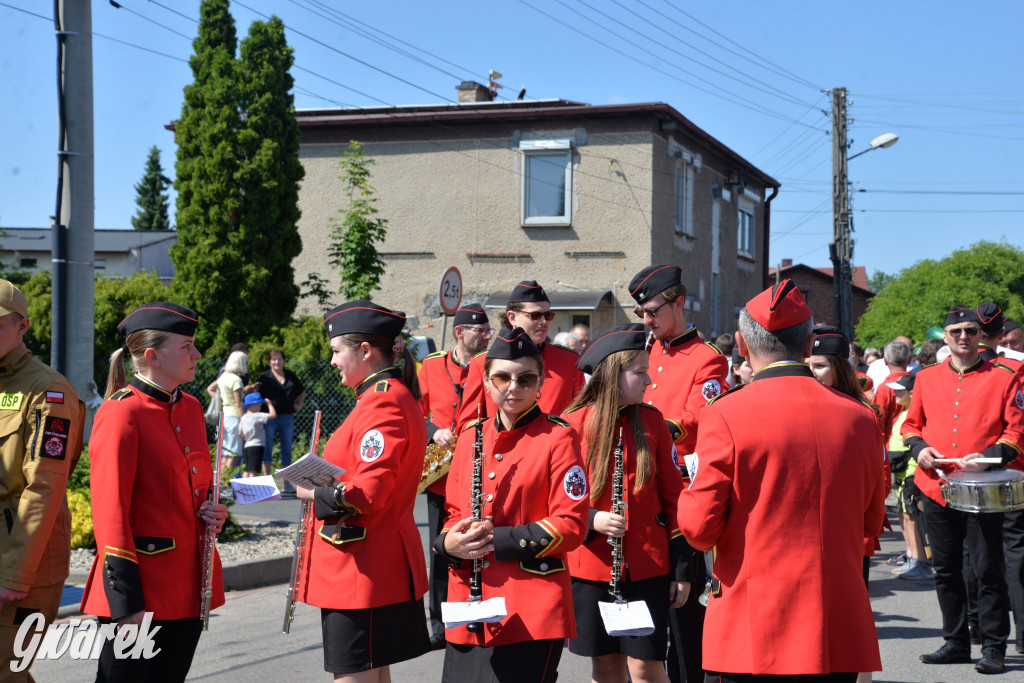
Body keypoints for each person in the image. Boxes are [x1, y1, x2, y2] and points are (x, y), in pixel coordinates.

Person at [677, 279, 885, 682]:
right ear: (809, 345)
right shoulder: (861, 417)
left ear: (740, 344)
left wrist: (687, 489)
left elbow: (700, 530)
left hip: (754, 623)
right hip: (835, 618)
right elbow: (872, 523)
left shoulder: (725, 413)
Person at [81, 301, 228, 682]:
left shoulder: (192, 408)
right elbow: (110, 514)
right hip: (140, 594)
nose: (197, 354)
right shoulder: (121, 413)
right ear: (152, 356)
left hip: (187, 588)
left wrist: (215, 512)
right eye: (186, 347)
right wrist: (126, 603)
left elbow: (194, 492)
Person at [434, 327, 588, 683]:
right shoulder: (472, 435)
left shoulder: (559, 437)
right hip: (469, 600)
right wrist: (448, 543)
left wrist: (495, 540)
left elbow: (571, 524)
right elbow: (454, 514)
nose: (513, 387)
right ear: (487, 382)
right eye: (501, 377)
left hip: (532, 605)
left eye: (525, 378)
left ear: (540, 383)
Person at [297, 300, 429, 681]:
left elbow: (368, 492)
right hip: (367, 563)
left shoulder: (383, 400)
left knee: (354, 675)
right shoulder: (382, 396)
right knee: (374, 673)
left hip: (361, 566)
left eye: (337, 351)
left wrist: (313, 493)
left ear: (366, 351)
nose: (334, 361)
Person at [564, 324, 690, 683]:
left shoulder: (653, 423)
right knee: (604, 665)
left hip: (647, 567)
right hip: (590, 568)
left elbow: (675, 501)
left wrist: (682, 572)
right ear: (611, 374)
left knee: (646, 667)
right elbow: (555, 500)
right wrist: (592, 520)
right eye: (639, 372)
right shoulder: (572, 425)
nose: (648, 380)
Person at [902, 305, 1024, 674]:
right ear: (946, 336)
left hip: (982, 487)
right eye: (955, 331)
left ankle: (993, 646)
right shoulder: (925, 378)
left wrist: (987, 458)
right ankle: (955, 641)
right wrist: (920, 450)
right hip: (936, 486)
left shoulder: (1004, 376)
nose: (963, 337)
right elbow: (910, 426)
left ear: (979, 334)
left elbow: (1016, 434)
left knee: (988, 569)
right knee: (946, 569)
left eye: (970, 331)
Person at [628, 264, 727, 683]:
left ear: (679, 302)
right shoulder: (644, 353)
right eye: (642, 314)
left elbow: (700, 417)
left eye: (652, 311)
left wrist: (653, 431)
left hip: (682, 496)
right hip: (636, 491)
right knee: (639, 620)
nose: (647, 321)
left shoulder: (708, 359)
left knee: (684, 619)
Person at [0, 279, 84, 681]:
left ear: (23, 327)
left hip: (24, 561)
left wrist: (17, 573)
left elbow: (44, 486)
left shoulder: (49, 390)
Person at [417, 303, 492, 650]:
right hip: (440, 475)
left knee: (475, 546)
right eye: (480, 330)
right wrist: (433, 431)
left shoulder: (489, 365)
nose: (487, 335)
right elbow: (415, 412)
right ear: (460, 332)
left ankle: (472, 613)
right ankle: (439, 623)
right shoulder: (431, 366)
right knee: (439, 549)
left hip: (475, 470)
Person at [807, 325, 890, 589]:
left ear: (840, 369)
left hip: (849, 527)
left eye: (819, 366)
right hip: (803, 530)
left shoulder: (864, 415)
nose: (810, 373)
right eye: (805, 365)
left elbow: (880, 478)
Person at [457, 281, 585, 430]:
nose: (543, 322)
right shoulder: (482, 362)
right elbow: (466, 424)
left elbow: (581, 419)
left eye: (547, 315)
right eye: (535, 315)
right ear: (512, 317)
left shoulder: (569, 361)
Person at [257, 349, 306, 484]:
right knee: (268, 446)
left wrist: (299, 404)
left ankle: (286, 483)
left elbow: (302, 391)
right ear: (269, 362)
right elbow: (255, 393)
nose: (276, 362)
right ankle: (267, 481)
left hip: (287, 416)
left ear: (284, 361)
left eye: (279, 359)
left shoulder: (291, 375)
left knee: (287, 448)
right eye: (274, 359)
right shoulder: (264, 377)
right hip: (269, 417)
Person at [208, 350, 247, 469]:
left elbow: (210, 388)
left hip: (224, 417)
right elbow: (239, 404)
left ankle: (221, 482)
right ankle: (225, 484)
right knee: (234, 453)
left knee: (226, 452)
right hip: (235, 417)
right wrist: (244, 423)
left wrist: (220, 400)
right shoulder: (236, 380)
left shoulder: (223, 376)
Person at [238, 392, 275, 478]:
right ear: (253, 405)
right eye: (259, 405)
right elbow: (273, 415)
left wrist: (246, 437)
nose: (261, 407)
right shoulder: (257, 416)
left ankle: (244, 489)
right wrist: (269, 404)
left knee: (247, 469)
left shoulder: (243, 417)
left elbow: (240, 433)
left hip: (247, 446)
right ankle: (253, 489)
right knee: (253, 470)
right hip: (257, 445)